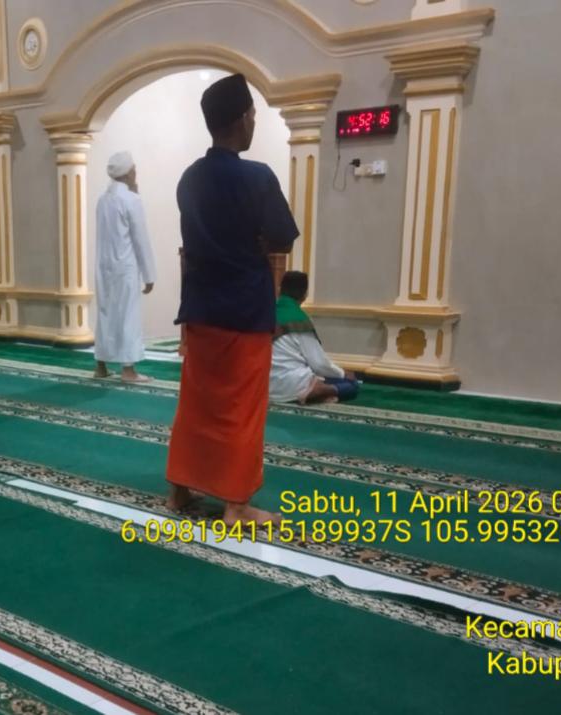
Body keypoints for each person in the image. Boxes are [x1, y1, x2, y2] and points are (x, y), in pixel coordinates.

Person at [165, 73, 299, 525]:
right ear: (242, 120)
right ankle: (236, 504)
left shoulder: (189, 179)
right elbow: (283, 238)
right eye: (253, 115)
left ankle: (180, 489)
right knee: (241, 409)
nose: (254, 123)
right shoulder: (257, 177)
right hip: (244, 310)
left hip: (202, 309)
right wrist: (257, 242)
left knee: (197, 403)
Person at [93, 151, 157, 383]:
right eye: (134, 169)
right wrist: (149, 275)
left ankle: (100, 366)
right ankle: (128, 370)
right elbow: (140, 239)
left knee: (105, 313)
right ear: (128, 173)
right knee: (128, 316)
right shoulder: (131, 200)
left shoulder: (103, 199)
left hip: (104, 266)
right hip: (125, 267)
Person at [271, 271, 360, 404]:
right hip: (294, 383)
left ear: (279, 290)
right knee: (352, 386)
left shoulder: (267, 314)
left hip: (266, 385)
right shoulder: (299, 319)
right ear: (305, 295)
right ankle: (319, 391)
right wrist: (343, 373)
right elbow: (318, 364)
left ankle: (317, 391)